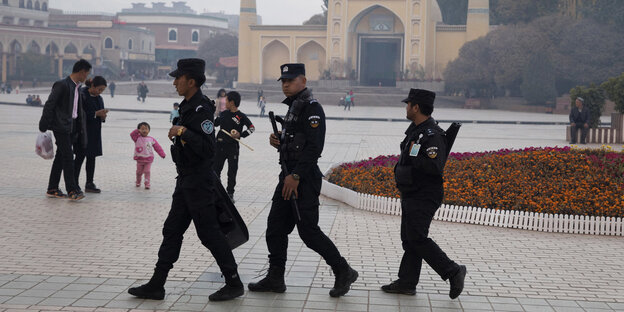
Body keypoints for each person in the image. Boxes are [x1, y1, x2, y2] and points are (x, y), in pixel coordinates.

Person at [128, 58, 244, 302]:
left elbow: (207, 147)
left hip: (199, 181)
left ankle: (233, 282)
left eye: (178, 78)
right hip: (186, 179)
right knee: (172, 230)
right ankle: (157, 284)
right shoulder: (187, 105)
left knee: (209, 233)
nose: (174, 83)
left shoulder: (201, 108)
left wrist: (182, 131)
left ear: (191, 81)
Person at [248, 63, 358, 297]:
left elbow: (314, 148)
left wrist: (296, 176)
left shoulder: (311, 108)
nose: (285, 85)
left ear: (303, 81)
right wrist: (279, 140)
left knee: (309, 232)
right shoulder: (293, 108)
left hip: (303, 179)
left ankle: (343, 270)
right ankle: (275, 278)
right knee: (275, 228)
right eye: (283, 81)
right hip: (287, 177)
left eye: (290, 80)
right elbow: (296, 141)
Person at [382, 88, 466, 299]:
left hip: (424, 194)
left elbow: (434, 166)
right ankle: (407, 282)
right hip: (412, 192)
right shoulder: (416, 131)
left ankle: (452, 270)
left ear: (416, 107)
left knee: (417, 238)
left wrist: (414, 157)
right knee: (409, 239)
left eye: (408, 104)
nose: (406, 107)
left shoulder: (432, 134)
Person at [38, 59, 91, 200]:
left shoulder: (77, 87)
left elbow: (76, 110)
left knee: (61, 157)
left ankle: (52, 187)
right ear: (81, 72)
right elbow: (50, 104)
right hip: (61, 126)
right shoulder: (62, 85)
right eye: (86, 73)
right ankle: (72, 190)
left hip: (71, 126)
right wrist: (43, 124)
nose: (87, 77)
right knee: (68, 157)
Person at [214, 91, 255, 201]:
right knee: (216, 169)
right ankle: (217, 191)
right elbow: (214, 123)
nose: (225, 102)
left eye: (226, 100)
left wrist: (240, 135)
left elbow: (252, 128)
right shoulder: (223, 113)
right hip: (219, 146)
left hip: (232, 148)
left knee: (232, 171)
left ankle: (230, 193)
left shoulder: (241, 116)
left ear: (232, 102)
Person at [74, 76, 109, 193]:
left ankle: (89, 183)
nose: (100, 92)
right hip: (82, 132)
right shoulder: (81, 95)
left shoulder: (99, 99)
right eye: (99, 89)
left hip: (94, 133)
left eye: (102, 91)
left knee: (91, 158)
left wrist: (103, 116)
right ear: (92, 86)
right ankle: (74, 183)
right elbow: (78, 114)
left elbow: (100, 115)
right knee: (79, 158)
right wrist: (95, 114)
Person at [130, 122, 166, 189]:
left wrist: (162, 154)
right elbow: (132, 134)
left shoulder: (151, 139)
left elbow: (157, 147)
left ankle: (147, 183)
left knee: (147, 171)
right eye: (142, 129)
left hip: (148, 159)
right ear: (139, 130)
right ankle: (138, 181)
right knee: (139, 172)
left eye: (146, 129)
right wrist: (137, 131)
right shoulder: (137, 138)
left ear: (149, 130)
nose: (144, 130)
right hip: (139, 159)